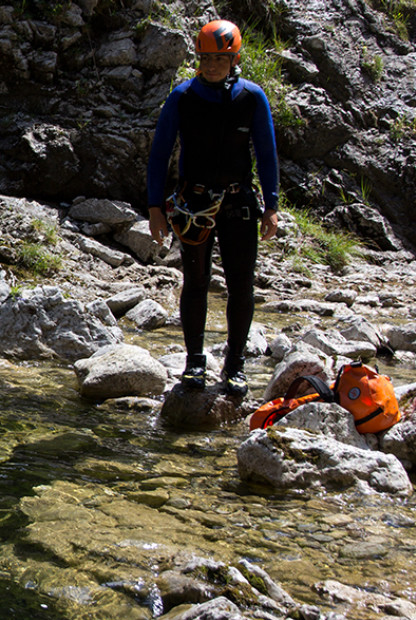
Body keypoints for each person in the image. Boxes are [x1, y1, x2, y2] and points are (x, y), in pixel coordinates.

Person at [146, 19, 280, 396]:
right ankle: (195, 362)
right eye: (206, 58)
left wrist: (271, 206)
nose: (212, 65)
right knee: (196, 281)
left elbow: (266, 154)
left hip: (239, 203)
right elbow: (159, 153)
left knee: (241, 285)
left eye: (220, 58)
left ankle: (235, 365)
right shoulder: (183, 97)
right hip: (193, 204)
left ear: (234, 59)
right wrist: (155, 207)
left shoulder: (252, 97)